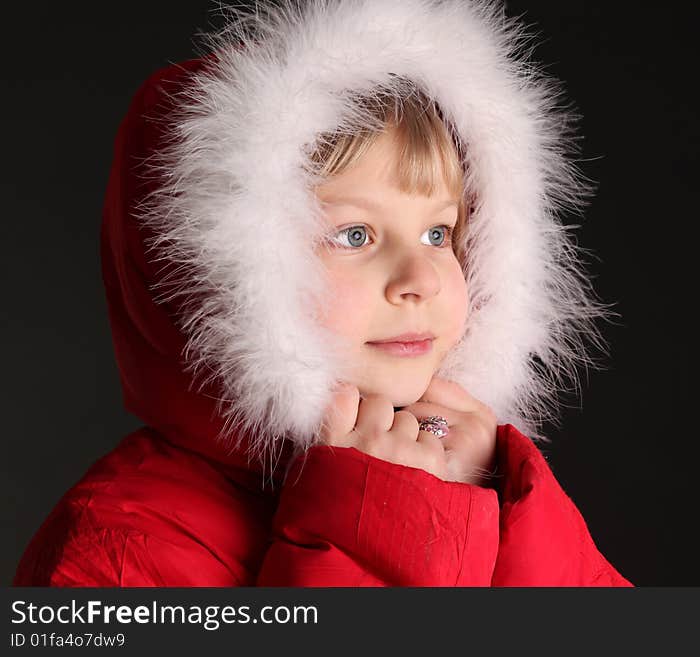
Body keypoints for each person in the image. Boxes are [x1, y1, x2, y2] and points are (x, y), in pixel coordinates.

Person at [14, 0, 632, 586]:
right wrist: (384, 518)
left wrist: (480, 502)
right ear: (216, 277)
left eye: (438, 232)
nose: (419, 280)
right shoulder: (115, 549)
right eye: (354, 234)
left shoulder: (481, 477)